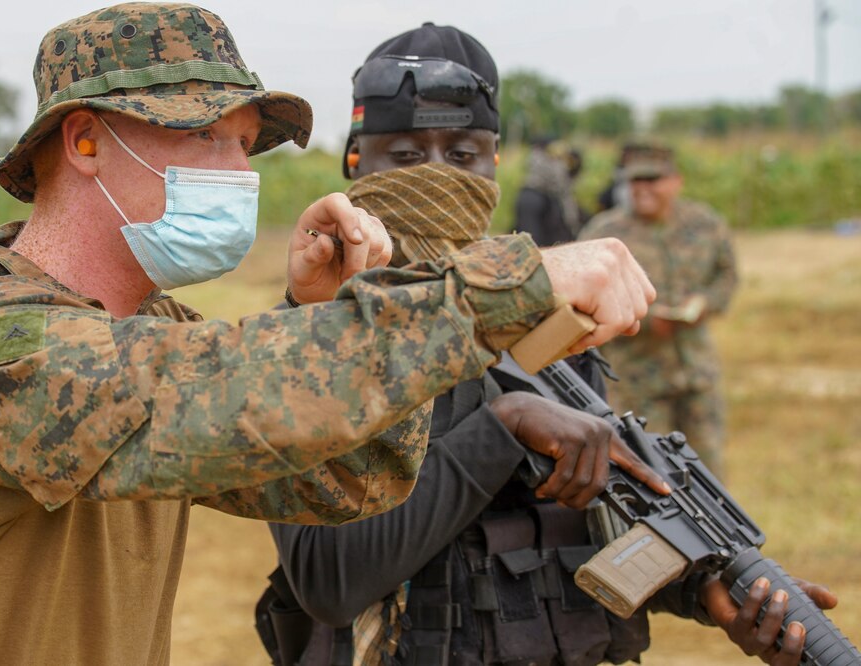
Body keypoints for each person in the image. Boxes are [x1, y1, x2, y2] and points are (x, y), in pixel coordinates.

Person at [0, 4, 659, 664]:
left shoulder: (149, 327)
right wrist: (512, 286)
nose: (238, 173)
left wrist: (313, 313)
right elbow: (193, 394)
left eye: (246, 146)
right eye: (205, 136)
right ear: (85, 141)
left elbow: (340, 486)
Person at [260, 23, 833, 666]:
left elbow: (574, 531)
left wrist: (702, 588)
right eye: (407, 154)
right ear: (355, 162)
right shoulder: (315, 329)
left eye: (462, 154)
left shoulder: (547, 313)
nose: (438, 176)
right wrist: (504, 426)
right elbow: (329, 581)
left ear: (495, 163)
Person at [580, 143, 738, 478]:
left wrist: (704, 304)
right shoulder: (604, 234)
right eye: (635, 180)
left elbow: (726, 274)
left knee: (708, 474)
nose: (643, 188)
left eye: (653, 179)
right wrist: (646, 320)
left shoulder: (704, 224)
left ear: (676, 181)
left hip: (696, 373)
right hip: (637, 381)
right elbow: (582, 300)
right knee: (651, 473)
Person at [513, 138, 589, 247]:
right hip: (539, 199)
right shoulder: (550, 162)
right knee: (532, 240)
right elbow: (562, 184)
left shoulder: (535, 159)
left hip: (534, 197)